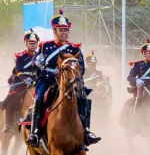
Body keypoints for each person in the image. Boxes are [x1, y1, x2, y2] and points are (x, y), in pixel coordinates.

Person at [27, 9, 101, 147]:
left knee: (84, 98)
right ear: (54, 31)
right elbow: (34, 62)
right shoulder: (45, 46)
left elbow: (82, 68)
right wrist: (37, 61)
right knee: (39, 99)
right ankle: (35, 133)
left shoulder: (74, 49)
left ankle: (86, 132)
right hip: (48, 80)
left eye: (66, 30)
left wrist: (73, 75)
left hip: (69, 81)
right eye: (61, 30)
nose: (64, 33)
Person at [2, 29, 39, 133]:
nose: (32, 45)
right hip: (21, 81)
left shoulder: (39, 56)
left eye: (34, 43)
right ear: (26, 43)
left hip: (36, 81)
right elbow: (19, 71)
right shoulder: (20, 56)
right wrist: (27, 80)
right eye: (30, 43)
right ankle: (8, 124)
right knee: (11, 99)